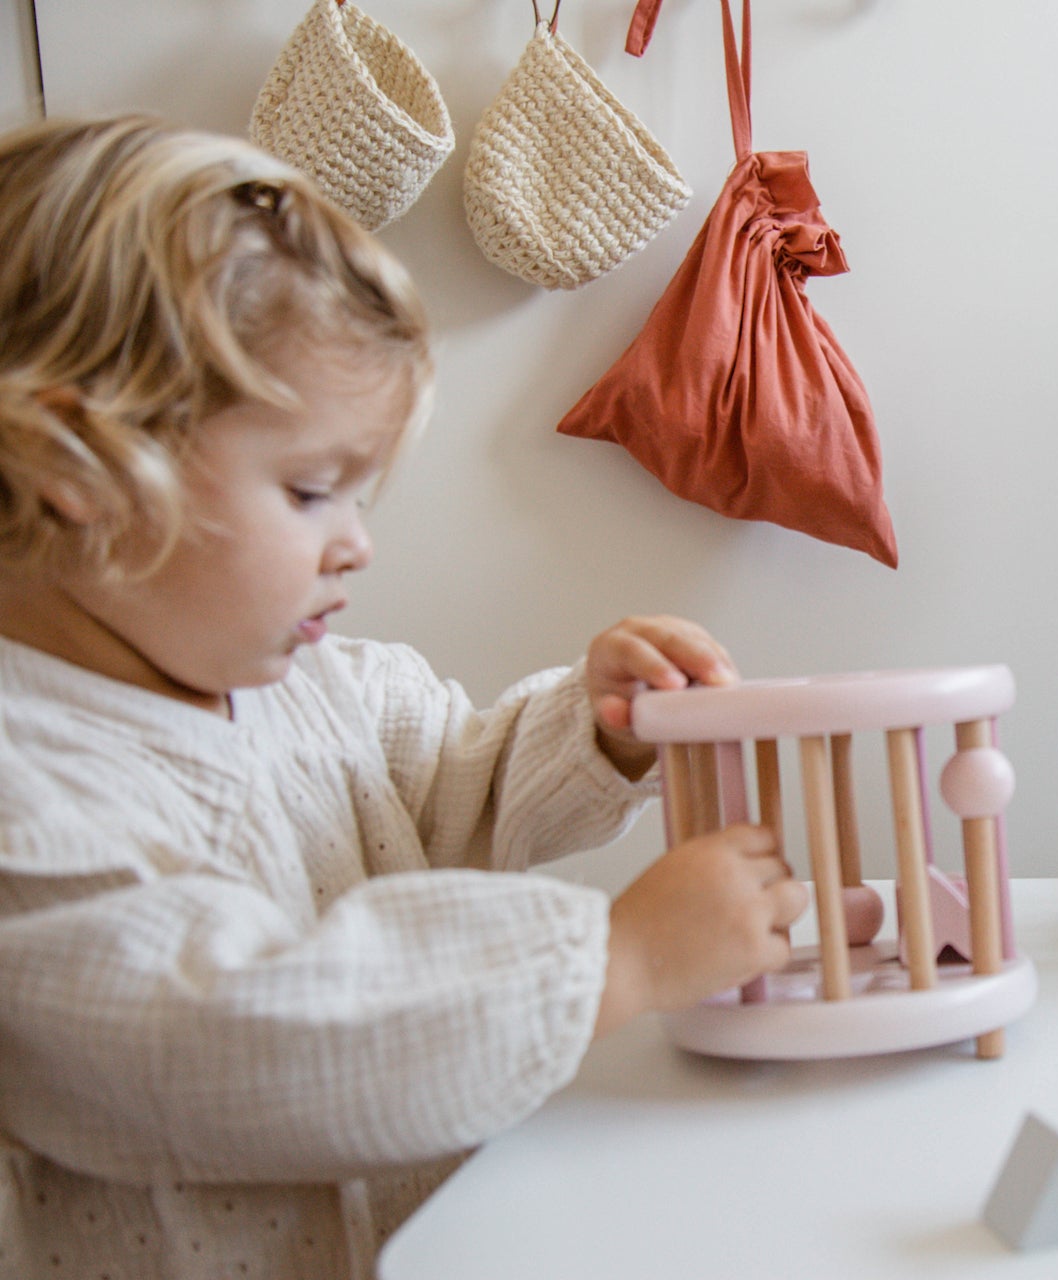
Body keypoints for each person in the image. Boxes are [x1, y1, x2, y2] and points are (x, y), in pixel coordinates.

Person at [0, 115, 809, 1280]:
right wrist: (615, 958)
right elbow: (241, 1034)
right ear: (77, 472)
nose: (357, 547)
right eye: (314, 490)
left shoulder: (310, 686)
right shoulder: (28, 795)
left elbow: (448, 789)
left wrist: (593, 728)